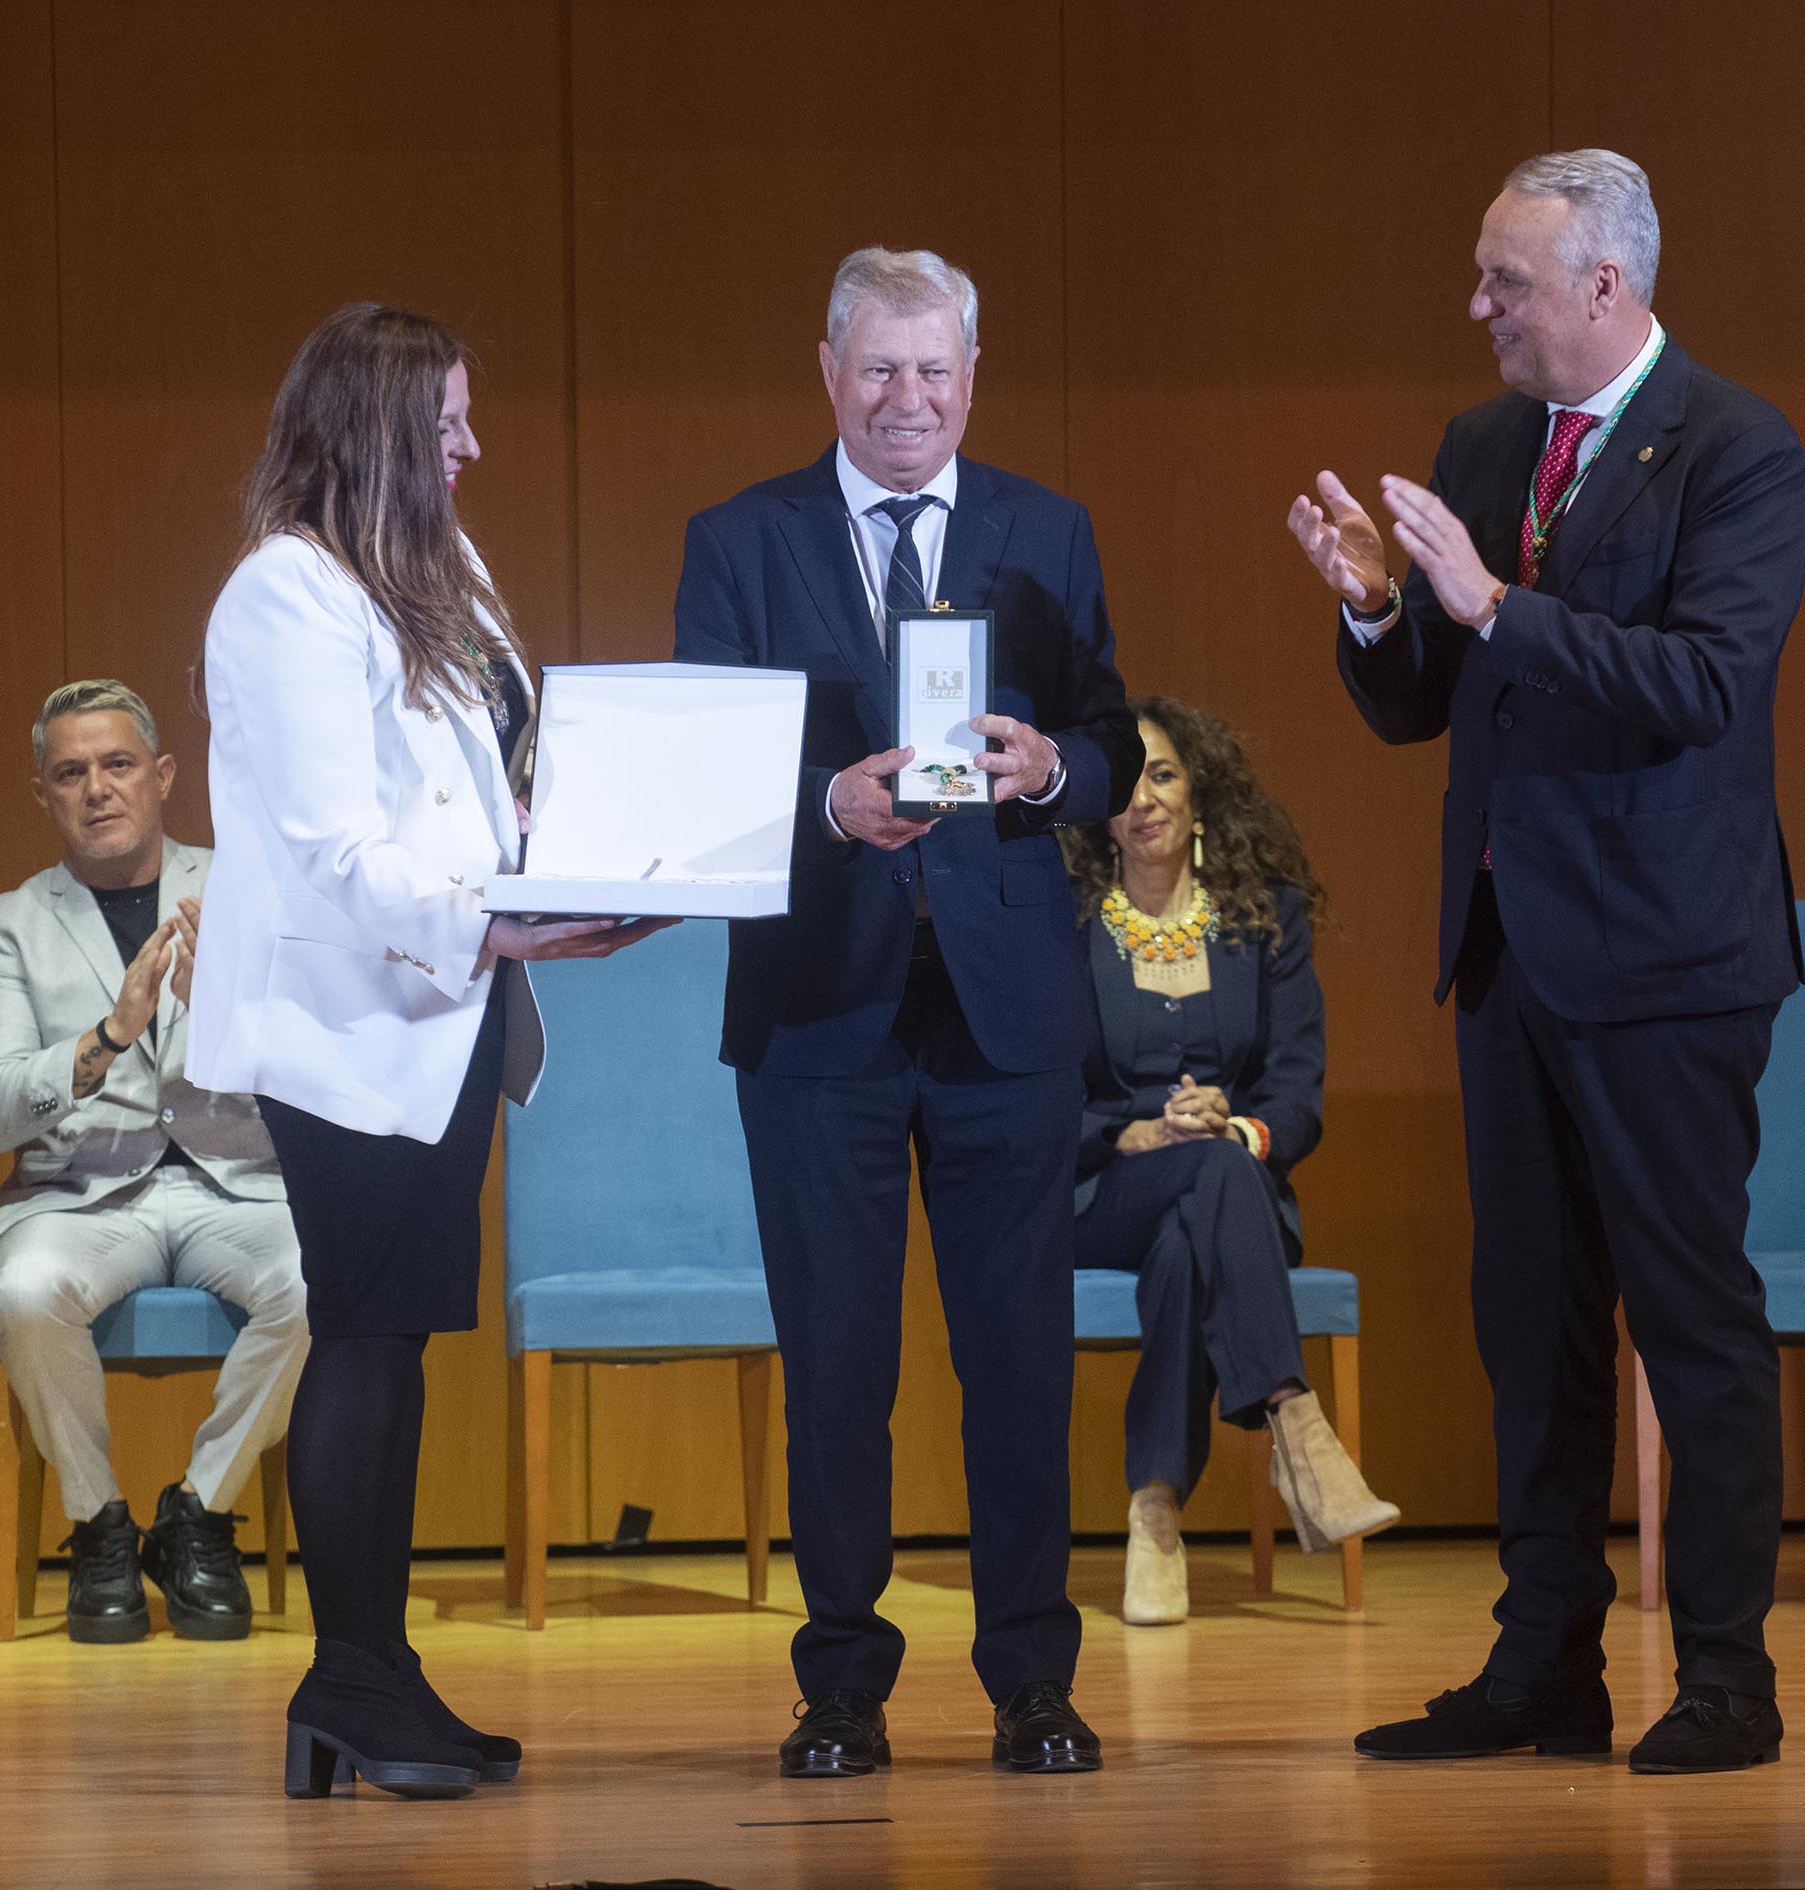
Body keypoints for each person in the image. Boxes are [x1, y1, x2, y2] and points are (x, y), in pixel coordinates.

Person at [1287, 149, 1805, 1775]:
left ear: (1605, 285)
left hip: (1671, 959)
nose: (1477, 307)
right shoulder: (1485, 442)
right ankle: (1546, 1671)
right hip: (1509, 953)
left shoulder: (1737, 446)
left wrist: (1491, 601)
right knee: (1533, 1324)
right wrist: (1386, 612)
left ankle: (1726, 1678)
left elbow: (1706, 681)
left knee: (1693, 1325)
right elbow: (1426, 699)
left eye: (1504, 280)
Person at [674, 246, 1140, 1779]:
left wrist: (1047, 768)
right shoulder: (738, 540)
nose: (907, 399)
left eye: (934, 370)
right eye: (878, 369)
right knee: (837, 1368)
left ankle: (1031, 1682)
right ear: (826, 371)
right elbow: (699, 773)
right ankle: (840, 1688)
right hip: (820, 1016)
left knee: (1017, 1361)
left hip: (1007, 1014)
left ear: (969, 376)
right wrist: (825, 799)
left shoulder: (1042, 529)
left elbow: (1112, 742)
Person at [191, 303, 668, 1799]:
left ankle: (374, 1674)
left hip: (448, 1007)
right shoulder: (285, 595)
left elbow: (490, 778)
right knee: (365, 1330)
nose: (471, 442)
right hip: (347, 1021)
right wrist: (492, 922)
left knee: (393, 1341)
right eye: (448, 418)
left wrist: (574, 875)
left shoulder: (434, 565)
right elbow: (333, 844)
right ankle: (346, 1677)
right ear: (377, 425)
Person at [0, 678, 308, 1644]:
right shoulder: (4, 925)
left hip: (234, 1183)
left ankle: (197, 1514)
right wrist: (108, 1036)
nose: (96, 789)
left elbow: (314, 1073)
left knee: (318, 1283)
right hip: (77, 1200)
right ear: (43, 794)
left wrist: (234, 1017)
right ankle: (99, 1526)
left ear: (161, 777)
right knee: (26, 1294)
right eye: (70, 773)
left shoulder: (247, 892)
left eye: (117, 766)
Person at [1060, 696, 1397, 1626]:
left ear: (1197, 792)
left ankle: (1154, 1513)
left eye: (1162, 774)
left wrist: (1236, 1126)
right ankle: (1293, 1422)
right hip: (1101, 1190)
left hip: (1226, 1187)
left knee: (1190, 1233)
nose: (1145, 799)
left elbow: (1295, 1090)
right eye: (1126, 784)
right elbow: (1033, 1085)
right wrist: (1125, 1134)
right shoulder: (1064, 925)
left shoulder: (1264, 920)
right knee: (1196, 1184)